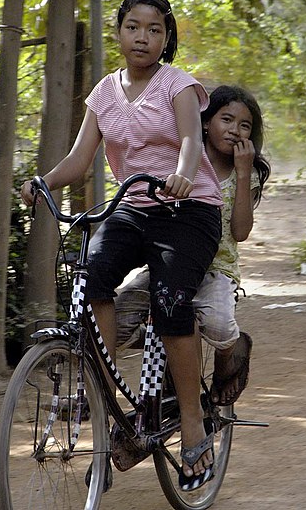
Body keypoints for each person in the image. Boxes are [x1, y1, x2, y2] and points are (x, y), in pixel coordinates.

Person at [21, 0, 223, 491]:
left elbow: (191, 141)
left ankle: (194, 426)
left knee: (170, 300)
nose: (143, 37)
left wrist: (181, 174)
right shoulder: (104, 93)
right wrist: (42, 181)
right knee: (91, 276)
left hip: (189, 209)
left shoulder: (178, 85)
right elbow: (78, 159)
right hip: (132, 207)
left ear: (166, 37)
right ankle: (104, 396)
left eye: (154, 29)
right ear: (119, 31)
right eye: (134, 26)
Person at [114, 84, 271, 405]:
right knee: (117, 321)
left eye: (244, 126)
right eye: (226, 120)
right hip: (172, 264)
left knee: (218, 323)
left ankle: (233, 349)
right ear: (204, 122)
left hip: (216, 270)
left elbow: (240, 232)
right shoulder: (182, 162)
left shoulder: (247, 174)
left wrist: (242, 174)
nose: (235, 130)